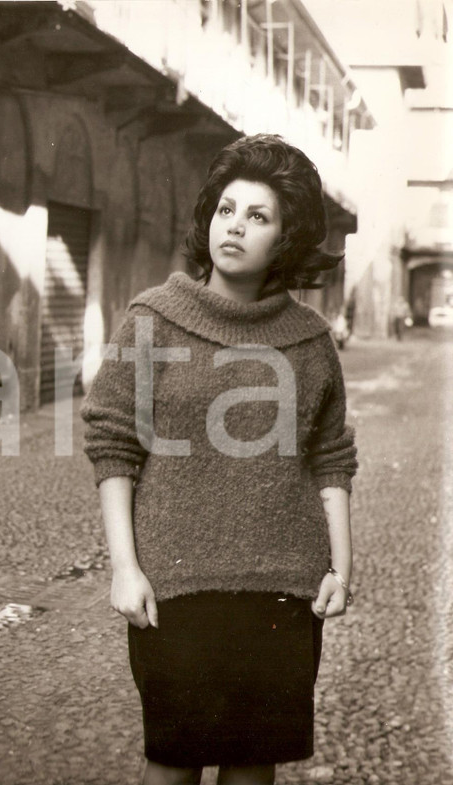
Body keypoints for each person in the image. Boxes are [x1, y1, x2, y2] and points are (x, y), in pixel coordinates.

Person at [81, 134, 358, 785]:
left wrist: (341, 568)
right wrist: (124, 567)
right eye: (226, 209)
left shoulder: (310, 340)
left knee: (252, 764)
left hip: (282, 590)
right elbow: (112, 443)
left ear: (285, 238)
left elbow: (331, 457)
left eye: (258, 216)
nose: (234, 226)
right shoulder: (153, 318)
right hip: (175, 587)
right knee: (171, 764)